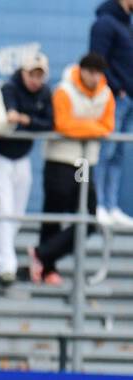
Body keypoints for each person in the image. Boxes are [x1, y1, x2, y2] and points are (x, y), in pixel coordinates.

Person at [33, 54, 116, 284]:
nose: (95, 77)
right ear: (81, 71)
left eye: (99, 73)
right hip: (60, 158)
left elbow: (108, 126)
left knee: (88, 217)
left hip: (84, 162)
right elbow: (63, 124)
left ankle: (43, 253)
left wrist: (83, 128)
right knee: (55, 210)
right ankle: (48, 268)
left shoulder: (105, 94)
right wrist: (92, 128)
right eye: (91, 72)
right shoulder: (64, 91)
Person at [0, 53, 52, 285]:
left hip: (22, 157)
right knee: (4, 210)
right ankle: (7, 265)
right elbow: (8, 115)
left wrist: (26, 119)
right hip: (1, 157)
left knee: (17, 214)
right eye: (32, 74)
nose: (35, 80)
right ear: (23, 72)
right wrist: (19, 117)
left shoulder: (44, 93)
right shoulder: (9, 88)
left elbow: (50, 123)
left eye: (40, 75)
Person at [90, 0, 133, 225]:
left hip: (128, 101)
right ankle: (96, 203)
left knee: (117, 154)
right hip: (114, 99)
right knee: (104, 152)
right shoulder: (105, 23)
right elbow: (97, 61)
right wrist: (118, 89)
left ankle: (111, 204)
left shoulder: (126, 24)